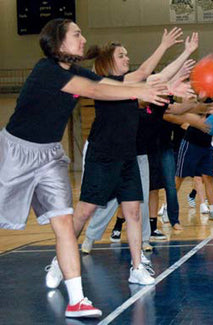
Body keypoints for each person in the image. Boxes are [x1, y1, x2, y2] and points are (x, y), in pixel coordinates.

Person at [0, 18, 167, 318]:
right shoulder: (47, 71)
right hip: (15, 153)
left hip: (50, 155)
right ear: (59, 42)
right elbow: (96, 90)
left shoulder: (74, 70)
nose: (82, 38)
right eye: (76, 34)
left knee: (64, 223)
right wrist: (139, 92)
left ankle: (76, 300)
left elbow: (114, 84)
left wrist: (153, 84)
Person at [68, 29, 194, 287]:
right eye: (122, 55)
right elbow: (145, 73)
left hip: (127, 155)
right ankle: (63, 258)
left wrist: (186, 52)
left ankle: (137, 267)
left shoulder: (130, 83)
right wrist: (163, 46)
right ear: (108, 61)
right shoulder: (105, 83)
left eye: (127, 54)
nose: (127, 58)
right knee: (84, 211)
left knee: (134, 211)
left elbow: (158, 76)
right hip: (102, 155)